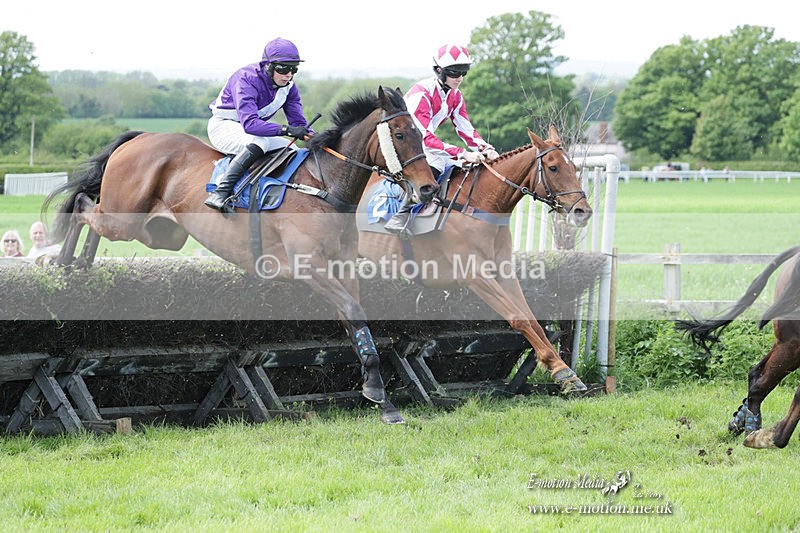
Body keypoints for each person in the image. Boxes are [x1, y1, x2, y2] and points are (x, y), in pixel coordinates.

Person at [384, 43, 499, 235]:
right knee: (438, 161)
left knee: (462, 165)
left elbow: (466, 130)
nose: (460, 78)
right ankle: (401, 215)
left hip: (421, 144)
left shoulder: (455, 95)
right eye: (455, 72)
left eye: (464, 72)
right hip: (405, 145)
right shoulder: (422, 94)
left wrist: (485, 148)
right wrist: (462, 152)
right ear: (439, 70)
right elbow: (425, 138)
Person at [205, 37, 312, 213]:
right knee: (260, 143)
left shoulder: (289, 86)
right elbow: (250, 124)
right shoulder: (246, 78)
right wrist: (286, 130)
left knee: (291, 150)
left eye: (294, 69)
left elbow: (298, 123)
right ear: (268, 66)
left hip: (253, 130)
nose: (288, 74)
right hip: (224, 126)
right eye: (283, 68)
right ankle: (220, 192)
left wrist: (317, 138)